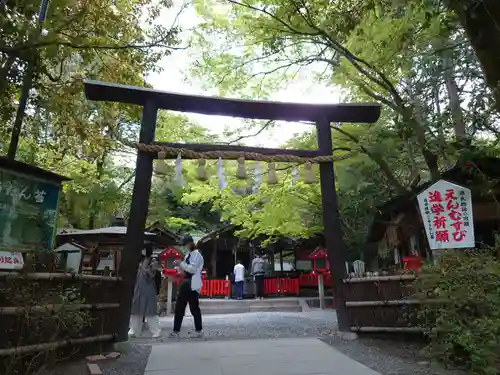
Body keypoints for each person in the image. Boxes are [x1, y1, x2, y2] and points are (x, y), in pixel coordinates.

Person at [170, 235, 204, 338]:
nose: (184, 247)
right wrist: (179, 267)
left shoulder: (197, 255)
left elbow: (192, 269)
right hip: (185, 281)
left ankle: (199, 330)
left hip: (193, 282)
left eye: (185, 245)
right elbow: (185, 269)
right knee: (180, 306)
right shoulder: (188, 255)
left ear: (190, 243)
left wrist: (182, 264)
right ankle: (176, 330)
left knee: (194, 307)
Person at [129, 244, 161, 338]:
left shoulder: (153, 261)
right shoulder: (137, 261)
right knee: (135, 310)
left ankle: (155, 330)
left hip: (148, 289)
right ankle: (134, 330)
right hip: (138, 287)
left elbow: (152, 275)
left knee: (150, 311)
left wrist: (145, 268)